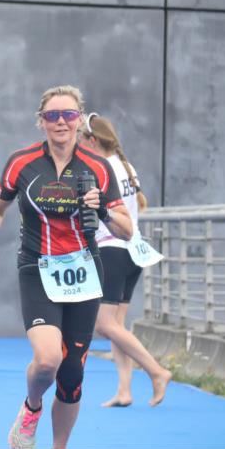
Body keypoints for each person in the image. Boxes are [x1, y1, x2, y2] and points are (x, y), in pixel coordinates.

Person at [0, 85, 132, 449]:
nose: (61, 122)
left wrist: (104, 214)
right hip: (38, 267)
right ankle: (31, 406)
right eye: (53, 115)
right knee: (47, 359)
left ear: (80, 120)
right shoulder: (21, 163)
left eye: (69, 115)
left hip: (83, 271)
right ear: (40, 120)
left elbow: (127, 229)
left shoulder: (98, 167)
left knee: (73, 372)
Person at [81, 113, 171, 407]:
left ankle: (156, 371)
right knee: (117, 324)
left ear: (92, 141)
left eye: (82, 141)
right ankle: (124, 390)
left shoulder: (103, 166)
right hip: (133, 248)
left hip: (114, 248)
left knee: (104, 324)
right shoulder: (126, 165)